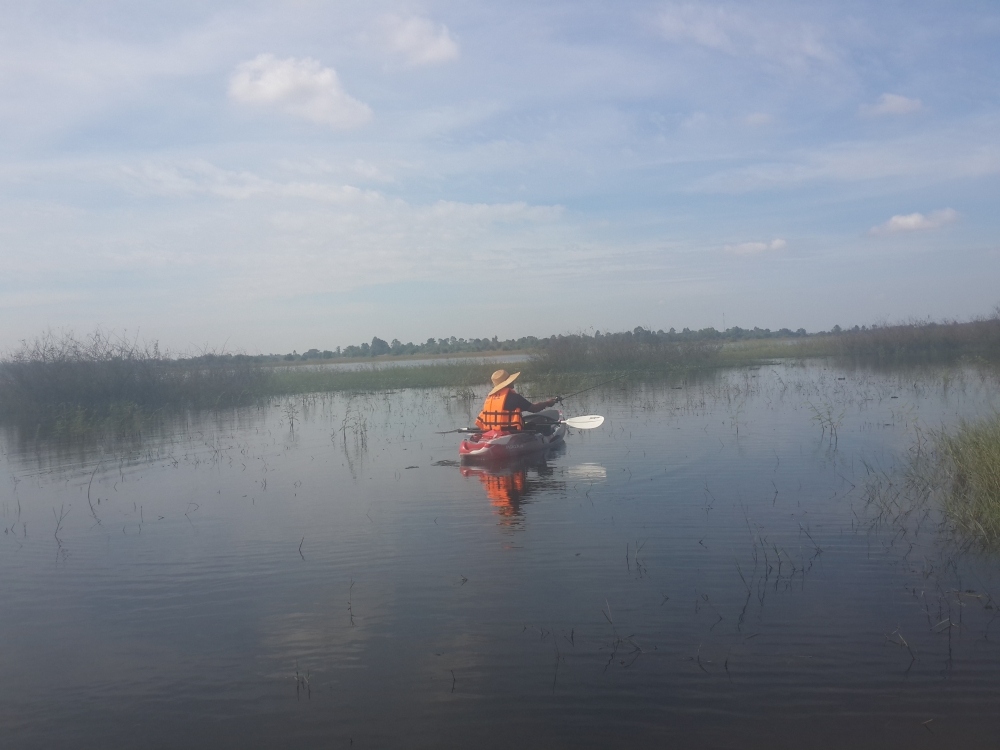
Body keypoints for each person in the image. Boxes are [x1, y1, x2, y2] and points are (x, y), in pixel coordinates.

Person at [475, 370, 560, 432]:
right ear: (507, 383)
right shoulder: (514, 397)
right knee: (541, 421)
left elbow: (506, 410)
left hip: (492, 431)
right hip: (512, 432)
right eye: (511, 381)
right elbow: (534, 408)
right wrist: (548, 403)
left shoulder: (490, 398)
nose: (513, 382)